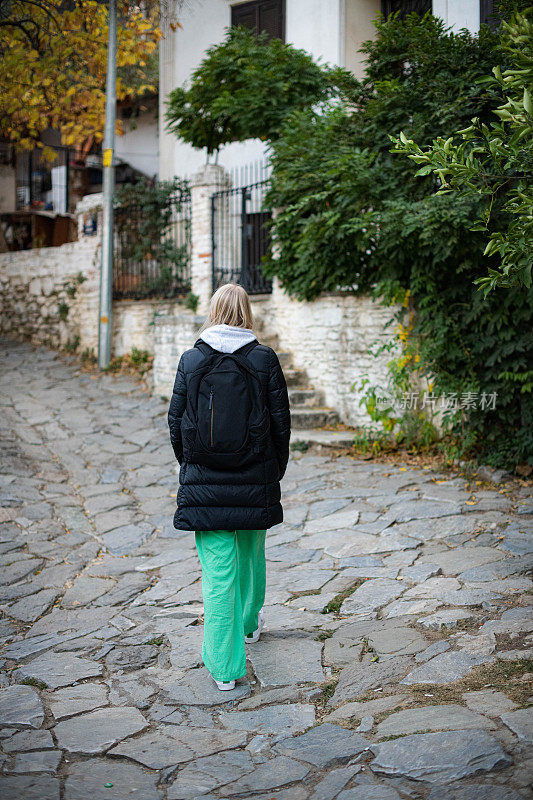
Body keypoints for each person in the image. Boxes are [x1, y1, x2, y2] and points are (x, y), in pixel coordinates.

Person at [167, 283, 291, 691]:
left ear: (214, 310)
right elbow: (280, 422)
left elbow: (175, 422)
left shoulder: (191, 359)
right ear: (246, 312)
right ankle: (250, 623)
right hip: (255, 475)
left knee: (219, 573)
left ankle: (224, 667)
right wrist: (275, 470)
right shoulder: (263, 359)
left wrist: (192, 465)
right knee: (252, 551)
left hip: (206, 482)